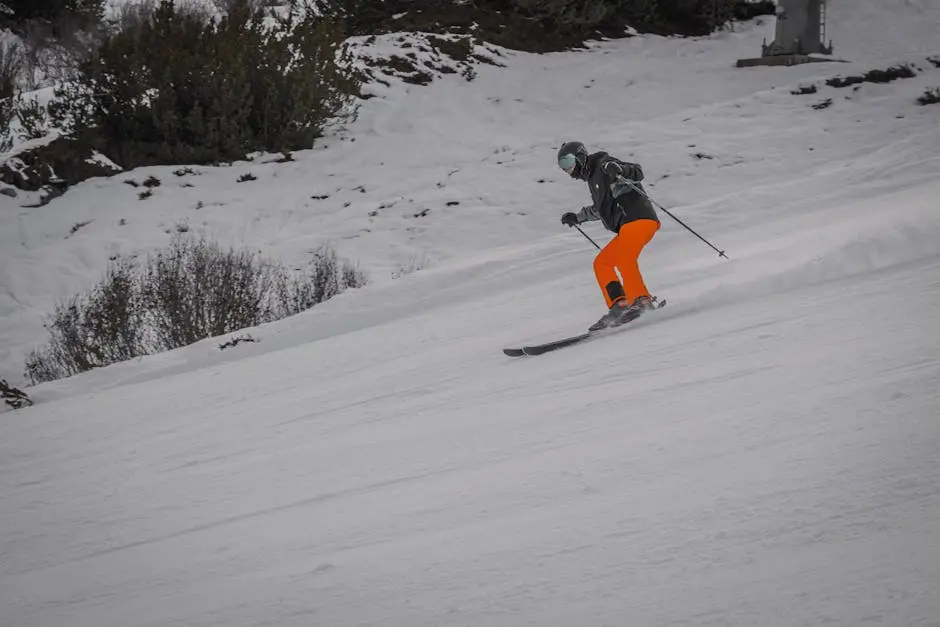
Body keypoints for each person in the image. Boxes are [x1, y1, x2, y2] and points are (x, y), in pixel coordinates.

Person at [557, 141, 660, 331]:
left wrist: (618, 168)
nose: (568, 170)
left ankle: (642, 301)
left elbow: (636, 171)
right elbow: (602, 209)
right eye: (563, 166)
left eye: (568, 162)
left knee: (624, 258)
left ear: (579, 156)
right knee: (602, 263)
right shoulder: (593, 180)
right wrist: (578, 217)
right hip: (627, 227)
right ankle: (619, 305)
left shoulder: (603, 164)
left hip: (639, 219)